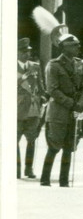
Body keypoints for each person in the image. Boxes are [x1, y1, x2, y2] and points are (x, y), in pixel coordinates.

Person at [40, 31, 83, 187]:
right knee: (54, 146)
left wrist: (80, 103)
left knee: (69, 147)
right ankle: (45, 180)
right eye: (74, 46)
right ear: (65, 47)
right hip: (58, 112)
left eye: (78, 45)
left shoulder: (79, 63)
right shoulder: (53, 65)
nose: (78, 48)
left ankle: (64, 181)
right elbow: (52, 90)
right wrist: (72, 103)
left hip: (73, 112)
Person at [17, 38, 46, 179]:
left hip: (32, 109)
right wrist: (23, 77)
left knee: (32, 140)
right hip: (17, 108)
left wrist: (43, 98)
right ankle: (15, 169)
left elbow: (40, 86)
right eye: (23, 52)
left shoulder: (35, 66)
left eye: (28, 51)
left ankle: (28, 169)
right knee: (14, 141)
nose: (26, 54)